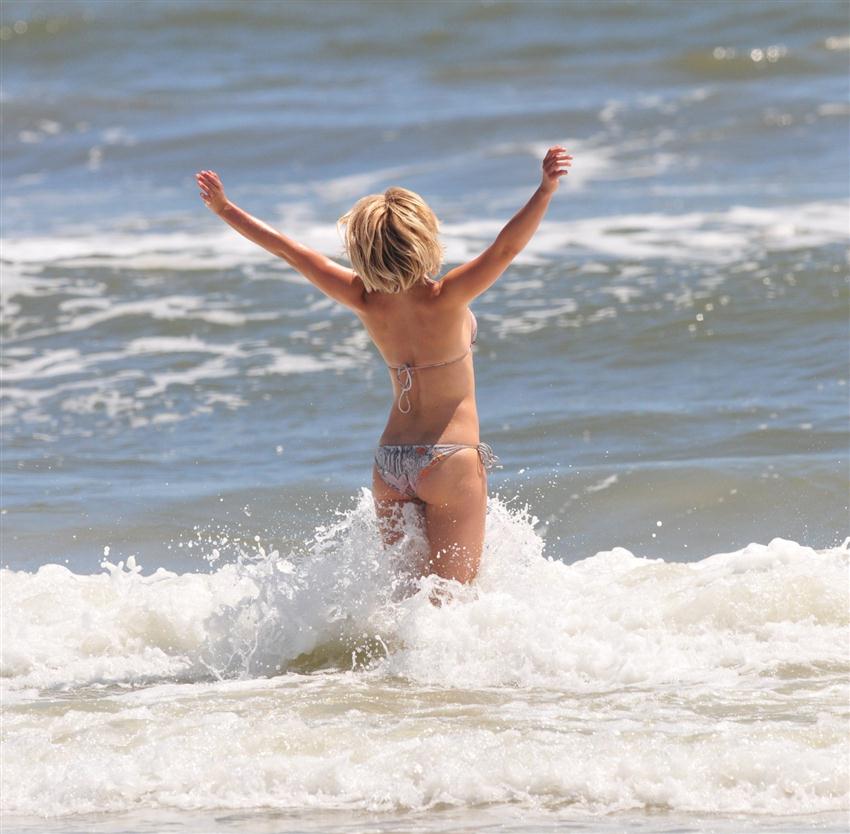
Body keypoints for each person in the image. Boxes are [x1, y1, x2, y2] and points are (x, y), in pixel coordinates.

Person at [195, 146, 571, 587]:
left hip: (391, 464)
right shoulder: (447, 296)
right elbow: (506, 248)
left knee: (403, 602)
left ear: (362, 250)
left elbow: (290, 251)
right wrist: (544, 191)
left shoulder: (363, 299)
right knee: (451, 602)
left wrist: (225, 209)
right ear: (423, 238)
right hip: (447, 458)